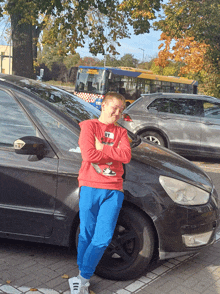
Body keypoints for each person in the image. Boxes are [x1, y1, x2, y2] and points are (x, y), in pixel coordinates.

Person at [68, 92, 131, 294]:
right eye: (115, 107)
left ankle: (82, 277)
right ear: (103, 105)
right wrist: (113, 155)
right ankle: (82, 276)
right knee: (86, 233)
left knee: (103, 237)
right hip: (90, 185)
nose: (118, 113)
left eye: (121, 110)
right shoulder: (89, 126)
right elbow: (88, 154)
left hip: (113, 189)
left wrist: (101, 147)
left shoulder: (121, 133)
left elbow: (126, 156)